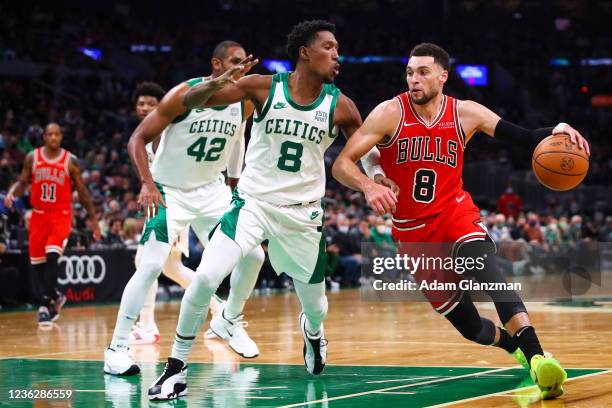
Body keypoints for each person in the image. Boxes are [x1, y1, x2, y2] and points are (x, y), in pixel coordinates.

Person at [148, 20, 393, 401]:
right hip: (253, 204)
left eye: (338, 48)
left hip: (302, 214)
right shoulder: (264, 87)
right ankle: (176, 368)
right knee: (205, 278)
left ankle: (312, 333)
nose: (337, 55)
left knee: (317, 306)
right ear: (305, 52)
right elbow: (192, 103)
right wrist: (215, 82)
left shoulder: (340, 104)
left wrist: (377, 177)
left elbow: (367, 148)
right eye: (329, 47)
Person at [332, 42, 590, 399]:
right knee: (470, 327)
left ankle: (538, 357)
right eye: (409, 72)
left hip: (454, 212)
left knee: (486, 266)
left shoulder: (466, 112)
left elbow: (525, 137)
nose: (414, 79)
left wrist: (558, 128)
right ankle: (513, 347)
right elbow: (342, 163)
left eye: (423, 72)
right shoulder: (389, 112)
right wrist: (367, 185)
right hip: (412, 233)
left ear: (443, 76)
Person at [104, 41, 266, 376]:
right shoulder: (183, 94)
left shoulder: (244, 102)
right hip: (168, 192)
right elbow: (137, 138)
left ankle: (228, 320)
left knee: (253, 255)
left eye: (244, 62)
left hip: (212, 191)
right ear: (216, 64)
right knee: (150, 266)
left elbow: (239, 140)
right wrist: (148, 184)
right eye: (234, 62)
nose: (241, 67)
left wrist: (234, 181)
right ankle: (117, 349)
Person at [127, 81, 229, 346]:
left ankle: (147, 327)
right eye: (140, 103)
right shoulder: (146, 134)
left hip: (177, 205)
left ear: (161, 105)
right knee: (172, 268)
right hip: (163, 204)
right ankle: (219, 309)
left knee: (144, 261)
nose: (145, 107)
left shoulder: (172, 128)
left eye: (151, 103)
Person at [4, 123, 101, 327]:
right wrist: (13, 193)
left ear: (61, 137)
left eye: (57, 134)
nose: (54, 137)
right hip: (38, 216)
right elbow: (23, 182)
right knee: (37, 264)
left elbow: (82, 192)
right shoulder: (33, 157)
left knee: (52, 254)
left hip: (61, 215)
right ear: (44, 137)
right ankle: (56, 296)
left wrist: (93, 221)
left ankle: (44, 305)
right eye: (50, 134)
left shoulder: (70, 161)